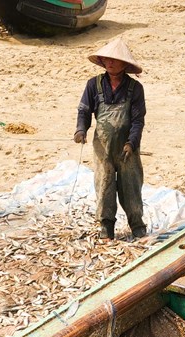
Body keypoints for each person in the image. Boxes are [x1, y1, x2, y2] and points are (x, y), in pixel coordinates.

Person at [74, 38, 147, 240]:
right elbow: (84, 110)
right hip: (102, 148)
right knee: (104, 185)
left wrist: (131, 143)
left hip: (126, 149)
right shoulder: (93, 85)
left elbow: (138, 121)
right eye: (107, 60)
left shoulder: (135, 89)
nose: (110, 63)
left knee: (130, 186)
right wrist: (81, 130)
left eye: (115, 60)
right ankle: (106, 228)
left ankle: (138, 227)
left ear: (124, 64)